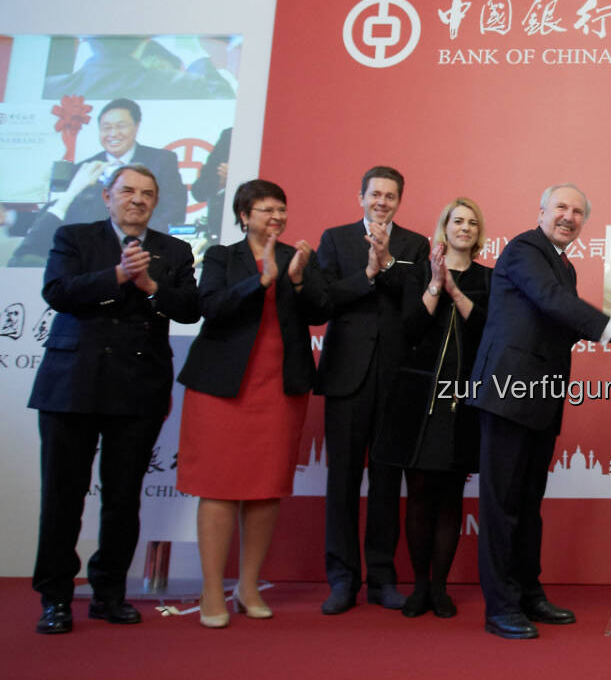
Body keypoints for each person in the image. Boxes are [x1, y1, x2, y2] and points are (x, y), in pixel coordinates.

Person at [468, 184, 611, 639]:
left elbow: (563, 320)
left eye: (577, 212)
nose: (569, 217)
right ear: (541, 212)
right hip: (508, 395)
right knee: (502, 505)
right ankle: (500, 607)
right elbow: (551, 299)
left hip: (540, 398)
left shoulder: (564, 266)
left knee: (528, 505)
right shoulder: (524, 249)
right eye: (561, 208)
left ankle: (528, 593)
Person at [28, 165, 200, 634]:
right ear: (107, 196)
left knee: (123, 499)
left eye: (147, 193)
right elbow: (57, 291)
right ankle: (55, 597)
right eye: (127, 191)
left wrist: (151, 288)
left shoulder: (174, 251)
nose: (137, 200)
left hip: (138, 386)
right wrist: (118, 276)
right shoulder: (74, 238)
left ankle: (109, 593)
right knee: (62, 497)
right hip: (72, 384)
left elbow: (190, 308)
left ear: (156, 202)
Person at [176, 180, 326, 628]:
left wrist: (296, 280)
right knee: (218, 487)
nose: (276, 217)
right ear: (244, 216)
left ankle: (248, 586)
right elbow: (211, 307)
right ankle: (211, 591)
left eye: (281, 209)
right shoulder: (222, 257)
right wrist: (258, 282)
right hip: (222, 388)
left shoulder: (299, 257)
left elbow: (320, 312)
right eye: (265, 210)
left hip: (279, 388)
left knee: (265, 489)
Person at [314, 166, 430, 614]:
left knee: (386, 482)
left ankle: (381, 577)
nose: (382, 202)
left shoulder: (414, 245)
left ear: (400, 201)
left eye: (390, 196)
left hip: (396, 378)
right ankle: (342, 578)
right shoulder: (335, 239)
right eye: (375, 194)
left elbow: (416, 304)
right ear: (361, 196)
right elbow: (323, 300)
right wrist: (367, 272)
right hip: (347, 375)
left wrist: (387, 264)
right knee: (341, 480)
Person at [372, 198, 491, 619]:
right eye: (457, 221)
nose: (465, 227)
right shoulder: (418, 272)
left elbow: (486, 330)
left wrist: (456, 290)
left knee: (450, 497)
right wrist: (437, 284)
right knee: (419, 495)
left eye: (472, 222)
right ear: (444, 227)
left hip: (463, 399)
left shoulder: (488, 278)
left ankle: (440, 588)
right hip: (417, 400)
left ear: (478, 233)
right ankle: (420, 586)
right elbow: (410, 328)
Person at [10, 98, 188, 266]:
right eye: (106, 127)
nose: (113, 133)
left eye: (121, 126)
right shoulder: (82, 170)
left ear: (136, 127)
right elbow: (60, 217)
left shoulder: (162, 161)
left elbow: (174, 211)